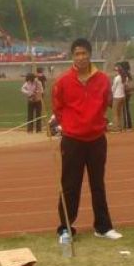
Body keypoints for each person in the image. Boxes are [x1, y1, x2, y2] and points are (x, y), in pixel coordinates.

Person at [51, 39, 122, 242]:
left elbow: (106, 102)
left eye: (84, 53)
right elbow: (58, 108)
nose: (81, 57)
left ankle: (103, 227)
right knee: (70, 185)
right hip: (72, 140)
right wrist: (69, 125)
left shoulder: (102, 79)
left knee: (98, 183)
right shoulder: (63, 81)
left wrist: (97, 121)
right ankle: (65, 228)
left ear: (90, 55)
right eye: (77, 54)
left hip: (96, 139)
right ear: (72, 56)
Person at [110, 64, 126, 132]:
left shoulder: (117, 78)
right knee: (120, 113)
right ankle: (120, 127)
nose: (115, 72)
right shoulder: (124, 77)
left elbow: (113, 87)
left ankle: (116, 128)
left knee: (115, 113)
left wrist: (111, 93)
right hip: (122, 96)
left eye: (116, 70)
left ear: (118, 71)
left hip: (117, 96)